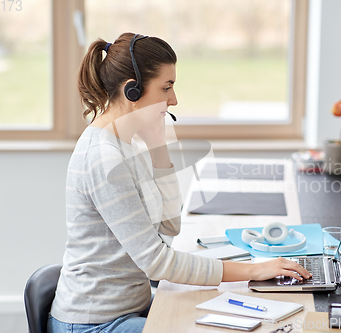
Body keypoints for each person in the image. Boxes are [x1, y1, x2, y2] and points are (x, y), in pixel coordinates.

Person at [48, 32, 311, 333]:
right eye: (166, 87)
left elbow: (170, 226)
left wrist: (159, 147)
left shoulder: (125, 145)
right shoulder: (104, 158)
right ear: (132, 91)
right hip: (94, 322)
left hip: (132, 307)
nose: (173, 100)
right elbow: (157, 263)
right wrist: (253, 270)